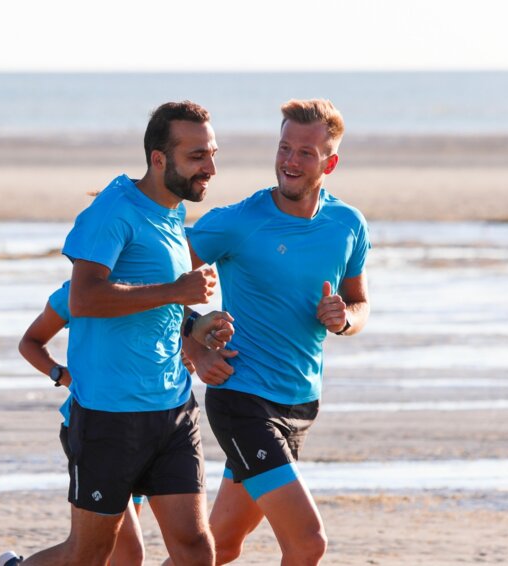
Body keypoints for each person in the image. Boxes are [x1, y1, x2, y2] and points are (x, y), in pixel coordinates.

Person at [0, 100, 231, 566]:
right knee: (90, 554)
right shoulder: (113, 212)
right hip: (109, 416)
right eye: (196, 156)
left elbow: (153, 305)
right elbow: (84, 298)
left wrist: (195, 325)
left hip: (172, 409)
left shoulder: (170, 213)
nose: (209, 167)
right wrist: (176, 289)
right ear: (158, 159)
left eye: (211, 154)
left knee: (195, 551)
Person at [185, 99, 371, 565]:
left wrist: (344, 318)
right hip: (242, 399)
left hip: (301, 404)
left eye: (305, 153)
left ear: (329, 162)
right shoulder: (239, 222)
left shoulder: (348, 225)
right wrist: (191, 341)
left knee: (221, 547)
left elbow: (360, 302)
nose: (289, 161)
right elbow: (153, 279)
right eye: (285, 147)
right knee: (308, 541)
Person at [18, 281, 149, 565]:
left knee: (120, 551)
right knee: (123, 553)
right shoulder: (75, 292)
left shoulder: (158, 284)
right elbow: (29, 342)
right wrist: (61, 375)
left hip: (152, 425)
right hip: (95, 429)